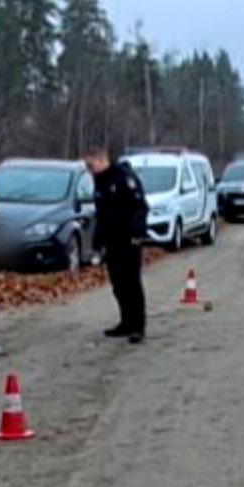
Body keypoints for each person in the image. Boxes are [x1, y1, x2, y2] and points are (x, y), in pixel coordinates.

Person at [83, 145, 150, 343]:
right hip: (111, 241)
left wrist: (138, 232)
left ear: (103, 160)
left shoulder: (124, 178)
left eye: (90, 164)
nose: (88, 168)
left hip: (129, 239)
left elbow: (139, 207)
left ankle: (138, 326)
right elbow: (102, 215)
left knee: (131, 282)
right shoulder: (99, 181)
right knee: (118, 284)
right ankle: (125, 322)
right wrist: (97, 243)